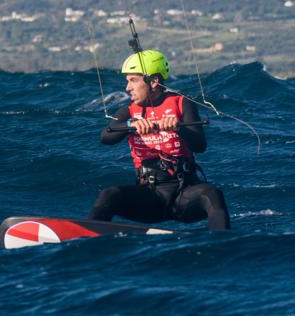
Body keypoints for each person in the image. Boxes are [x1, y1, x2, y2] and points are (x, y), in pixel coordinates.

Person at [88, 50, 230, 230]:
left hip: (184, 194)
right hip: (151, 197)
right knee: (109, 194)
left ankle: (221, 242)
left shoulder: (182, 104)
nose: (127, 88)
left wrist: (179, 127)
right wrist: (131, 125)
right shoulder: (128, 112)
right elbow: (106, 137)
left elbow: (200, 145)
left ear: (153, 81)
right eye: (127, 81)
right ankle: (88, 237)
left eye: (133, 80)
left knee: (212, 193)